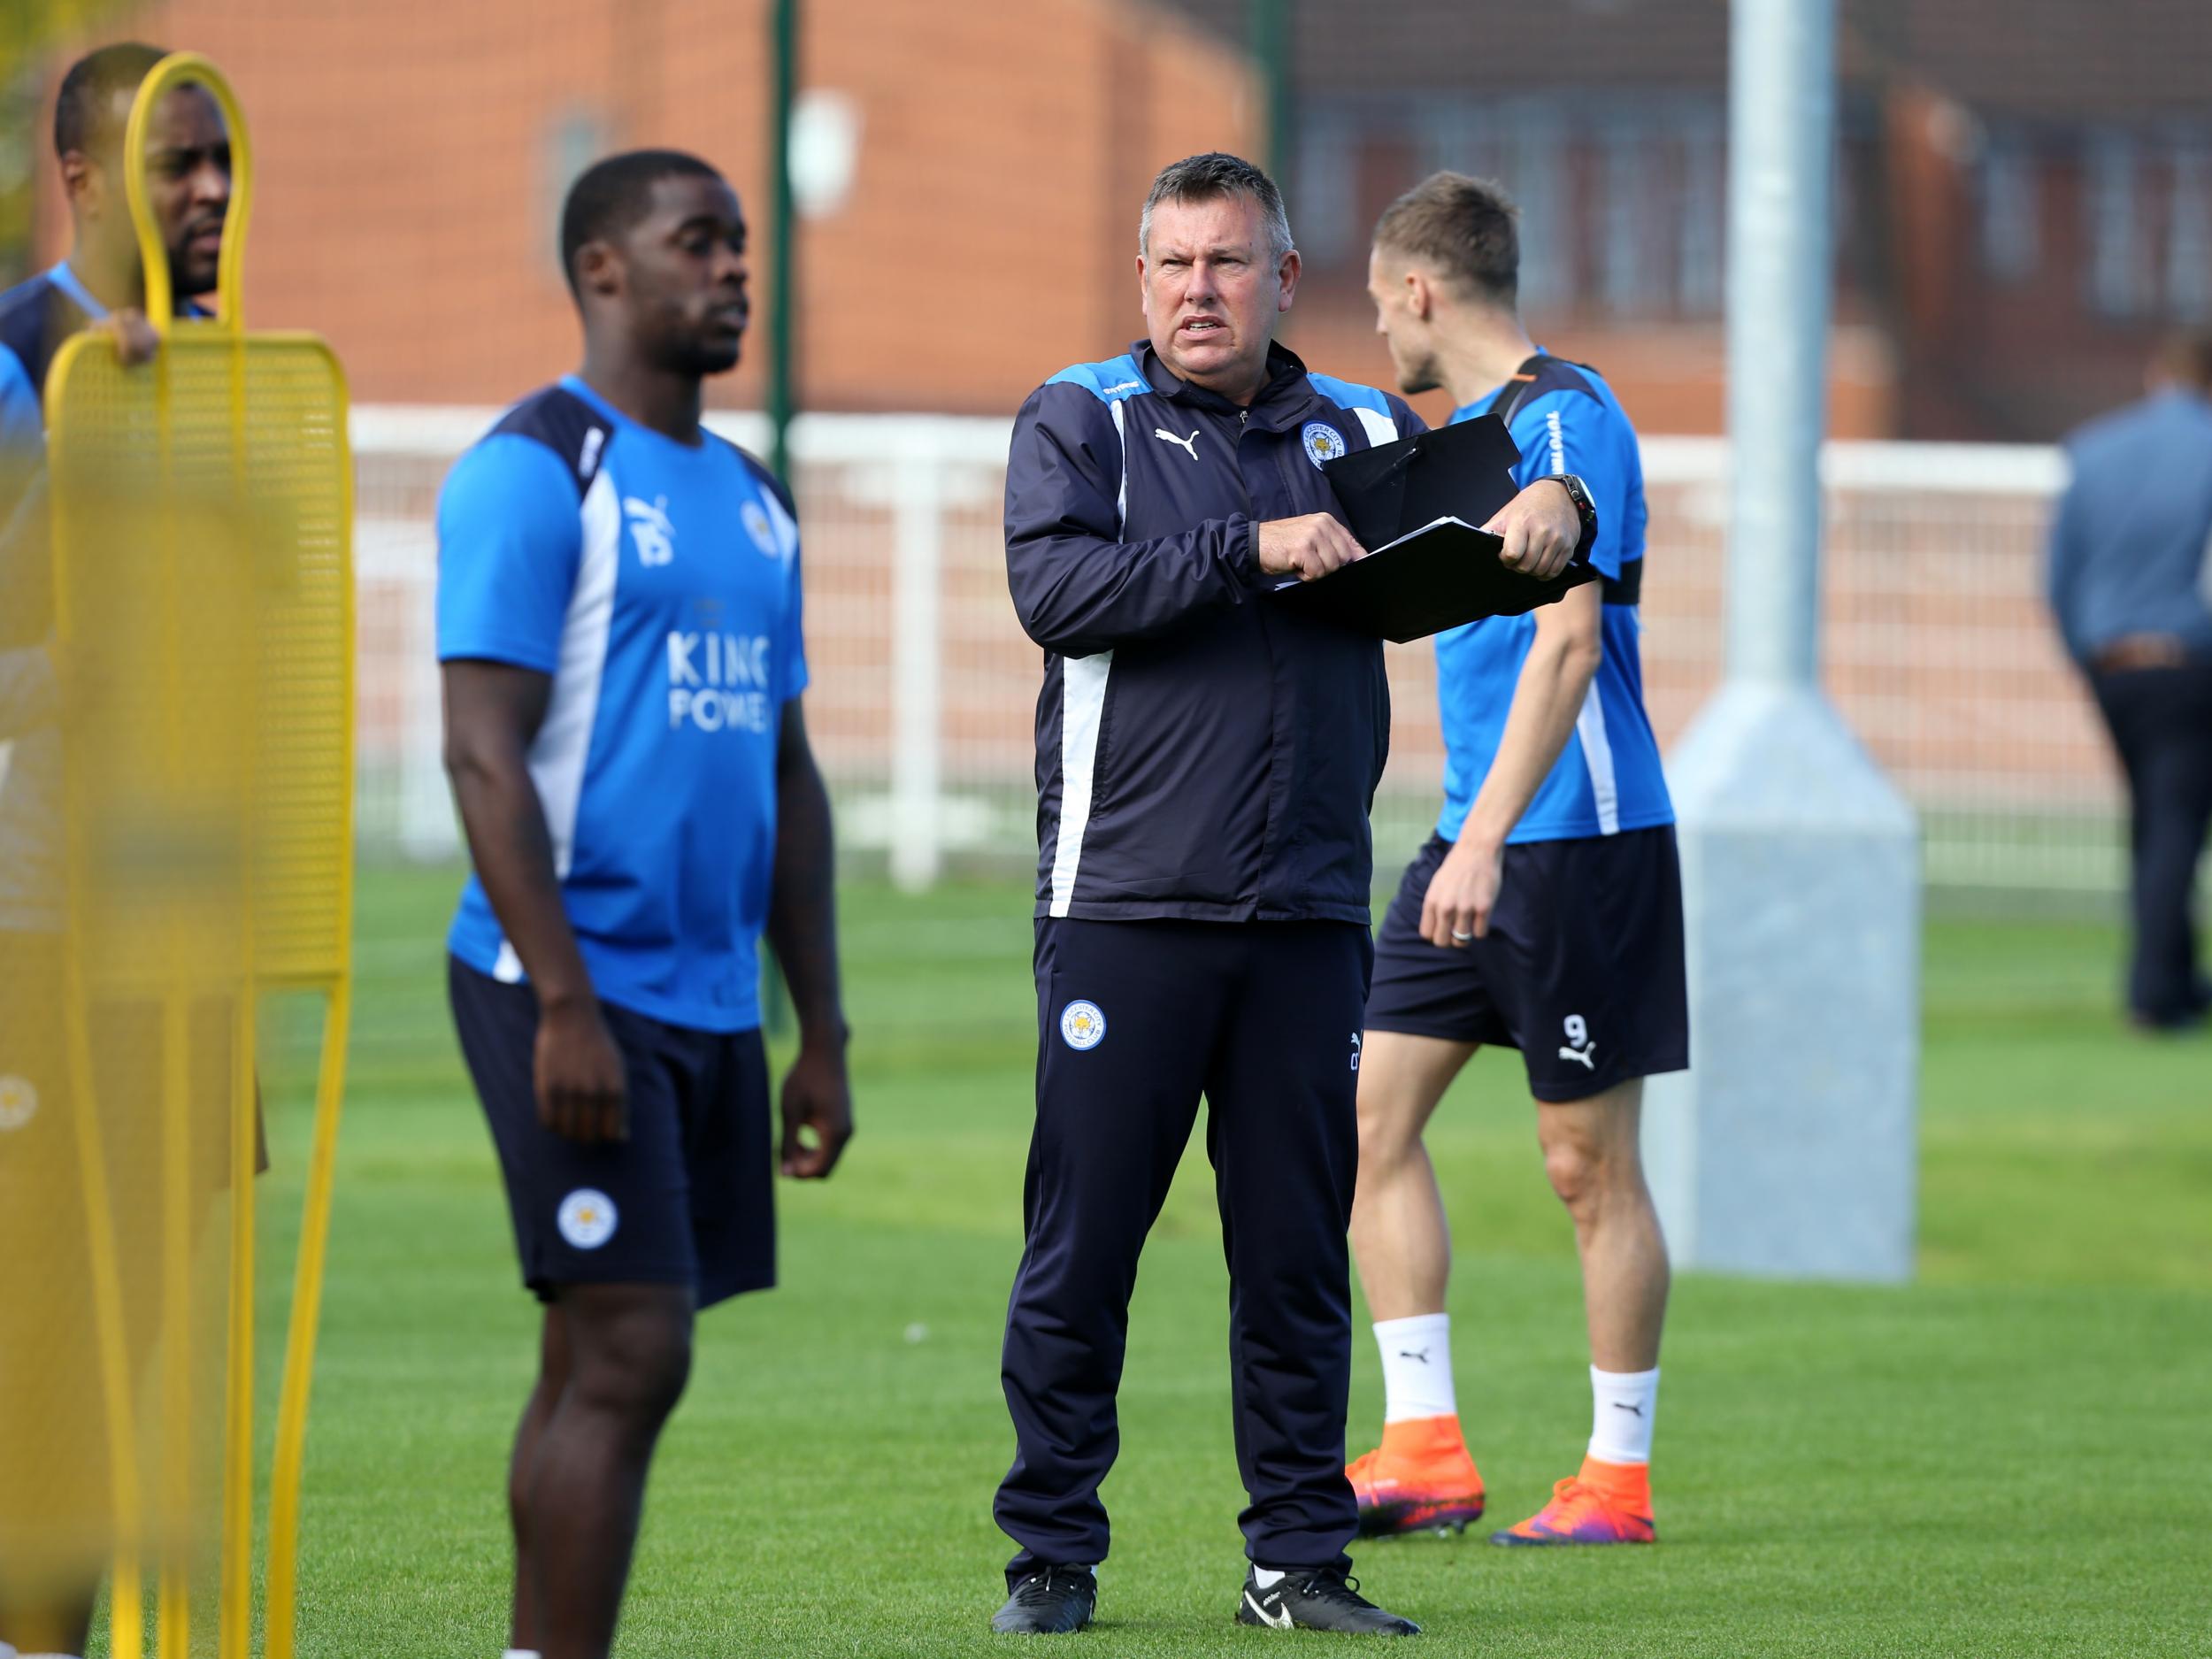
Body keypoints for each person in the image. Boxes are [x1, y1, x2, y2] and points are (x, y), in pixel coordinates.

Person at [990, 151, 1585, 1638]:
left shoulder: (1361, 423)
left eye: (1230, 263)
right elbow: (1054, 595)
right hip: (1126, 909)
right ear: (1143, 282)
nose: (1202, 289)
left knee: (1294, 1259)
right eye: (1176, 264)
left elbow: (1485, 513)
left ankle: (1298, 1565)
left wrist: (1559, 503)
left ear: (1285, 280)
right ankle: (1052, 1556)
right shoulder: (1083, 419)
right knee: (1082, 1252)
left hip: (1310, 916)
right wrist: (1244, 549)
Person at [436, 149, 851, 1659]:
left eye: (741, 244)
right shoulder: (538, 468)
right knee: (627, 1346)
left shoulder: (752, 502)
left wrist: (822, 1030)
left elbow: (788, 778)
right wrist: (560, 1000)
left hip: (705, 1003)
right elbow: (480, 755)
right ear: (603, 268)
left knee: (609, 1361)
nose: (734, 269)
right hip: (562, 988)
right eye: (699, 244)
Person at [1345, 173, 1687, 1549]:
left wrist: (1479, 839)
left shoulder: (1567, 412)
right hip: (1471, 834)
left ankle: (1617, 1477)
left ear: (1421, 291)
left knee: (1582, 1163)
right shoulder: (1461, 435)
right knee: (1361, 1120)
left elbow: (1570, 635)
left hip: (1575, 839)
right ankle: (1425, 1443)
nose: (1382, 336)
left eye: (1379, 308)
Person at [0, 42, 227, 1659]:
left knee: (141, 1326)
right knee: (38, 1325)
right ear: (80, 180)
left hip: (189, 923)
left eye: (223, 160)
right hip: (33, 930)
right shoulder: (21, 365)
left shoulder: (233, 363)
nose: (210, 192)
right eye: (175, 162)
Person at [2047, 330, 2212, 1032]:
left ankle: (2173, 972)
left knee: (2153, 814)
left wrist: (2087, 658)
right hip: (2188, 662)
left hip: (2110, 663)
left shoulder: (2092, 448)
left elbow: (2060, 576)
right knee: (2175, 819)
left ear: (2157, 373)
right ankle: (2155, 990)